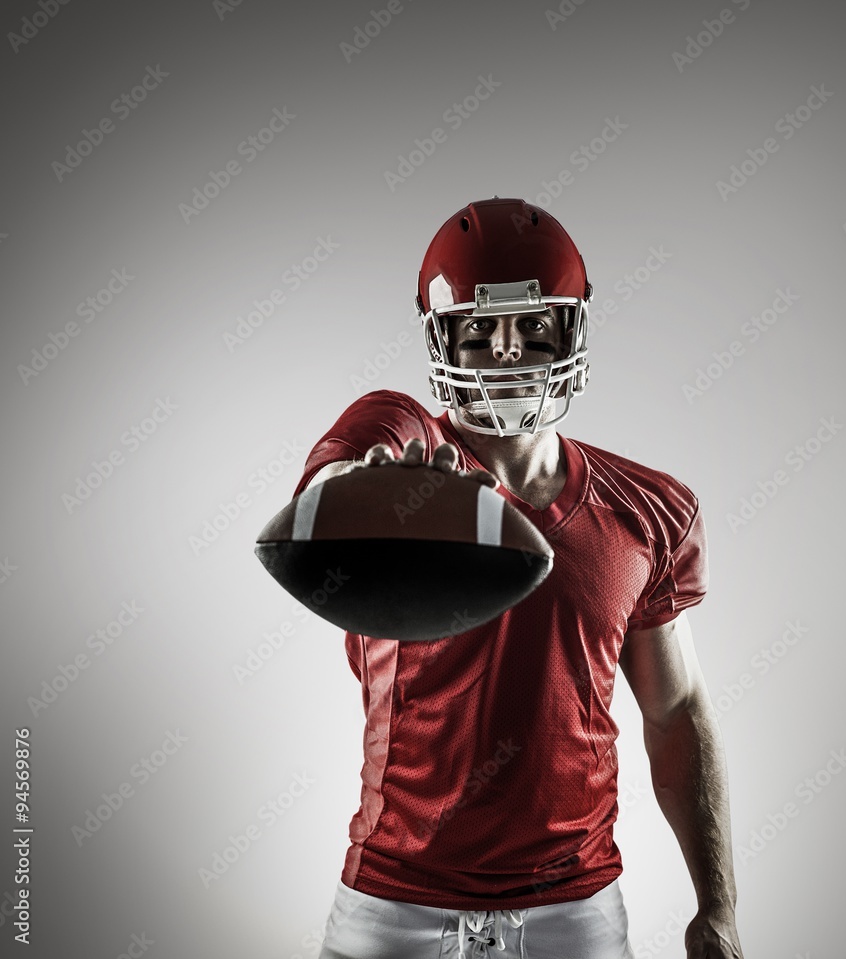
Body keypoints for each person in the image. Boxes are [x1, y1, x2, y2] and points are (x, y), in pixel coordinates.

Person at [292, 198, 744, 958]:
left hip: (574, 906)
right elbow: (334, 485)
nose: (507, 352)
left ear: (572, 329)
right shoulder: (399, 439)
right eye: (480, 330)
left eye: (533, 326)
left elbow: (676, 711)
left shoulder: (645, 508)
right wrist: (364, 490)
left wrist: (718, 905)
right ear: (442, 341)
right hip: (393, 899)